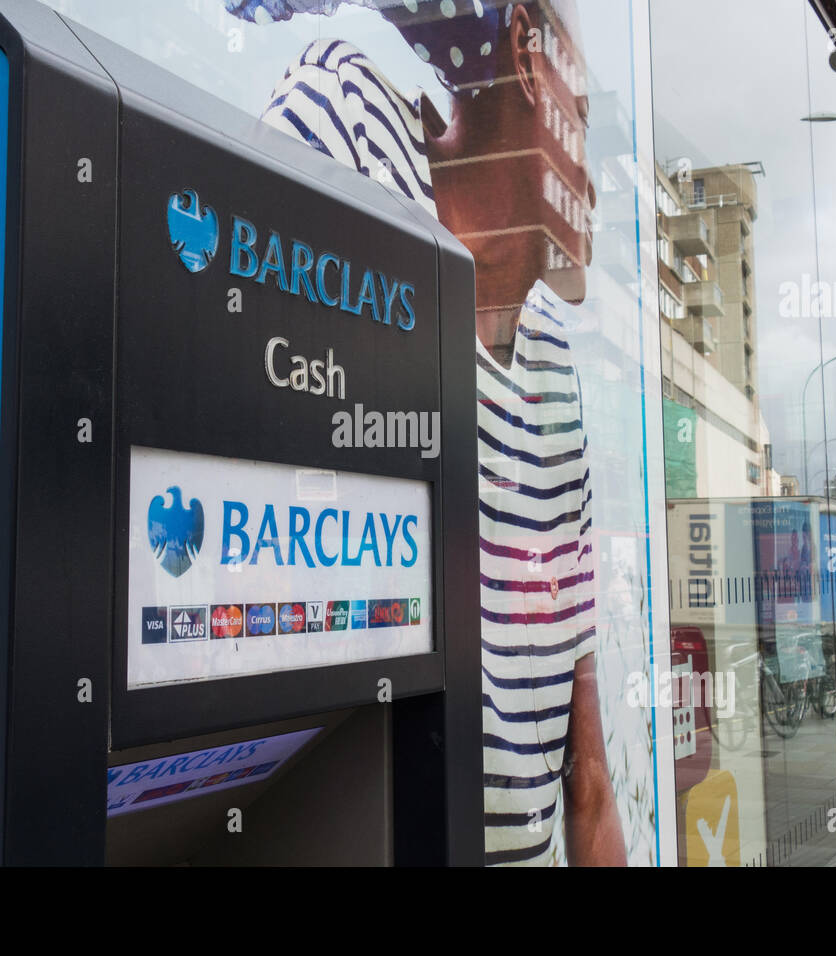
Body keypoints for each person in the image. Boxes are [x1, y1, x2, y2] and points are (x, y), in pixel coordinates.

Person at [227, 0, 625, 865]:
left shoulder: (553, 362)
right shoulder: (353, 130)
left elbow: (586, 779)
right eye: (583, 122)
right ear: (526, 53)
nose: (592, 178)